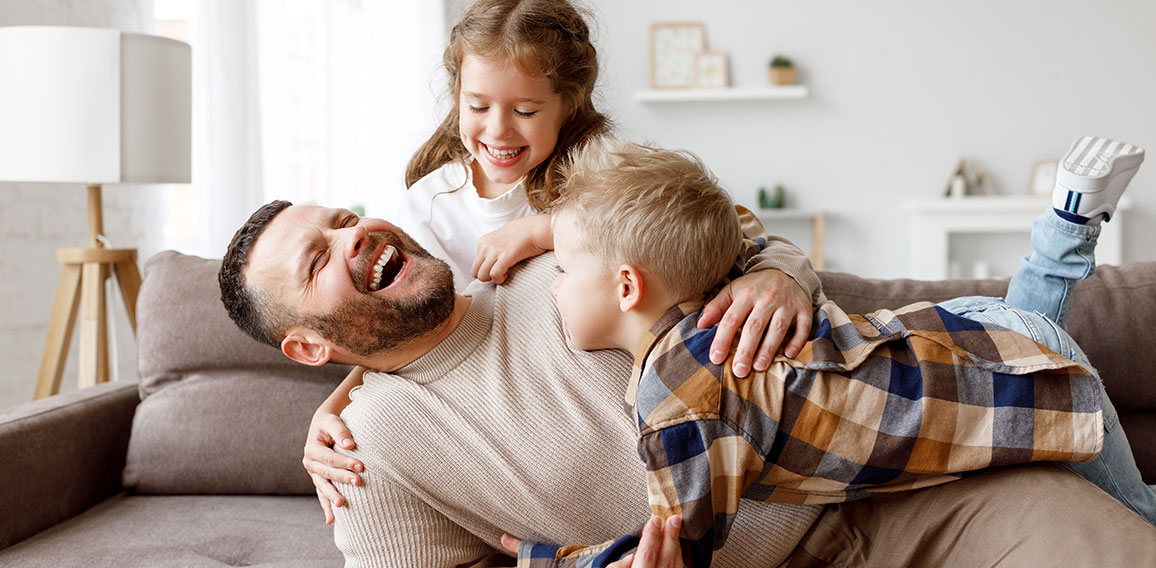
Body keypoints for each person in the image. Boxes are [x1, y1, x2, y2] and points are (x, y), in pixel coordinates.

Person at [219, 198, 1156, 567]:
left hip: (904, 494)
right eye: (321, 259)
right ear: (307, 349)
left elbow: (739, 230)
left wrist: (780, 271)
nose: (356, 238)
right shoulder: (367, 456)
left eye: (344, 217)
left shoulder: (564, 262)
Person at [500, 135, 1152, 567]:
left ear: (625, 285)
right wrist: (550, 227)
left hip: (993, 371)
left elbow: (679, 545)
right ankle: (1069, 218)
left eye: (561, 270)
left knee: (1138, 515)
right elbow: (727, 219)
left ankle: (1069, 223)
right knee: (1027, 328)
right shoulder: (718, 295)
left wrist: (548, 559)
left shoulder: (679, 399)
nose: (553, 286)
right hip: (976, 335)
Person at [308, 0, 820, 526]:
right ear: (456, 95)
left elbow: (723, 230)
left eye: (525, 111)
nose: (499, 131)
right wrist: (332, 408)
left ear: (568, 104)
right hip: (509, 419)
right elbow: (401, 334)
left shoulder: (600, 175)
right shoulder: (430, 205)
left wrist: (546, 228)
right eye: (477, 106)